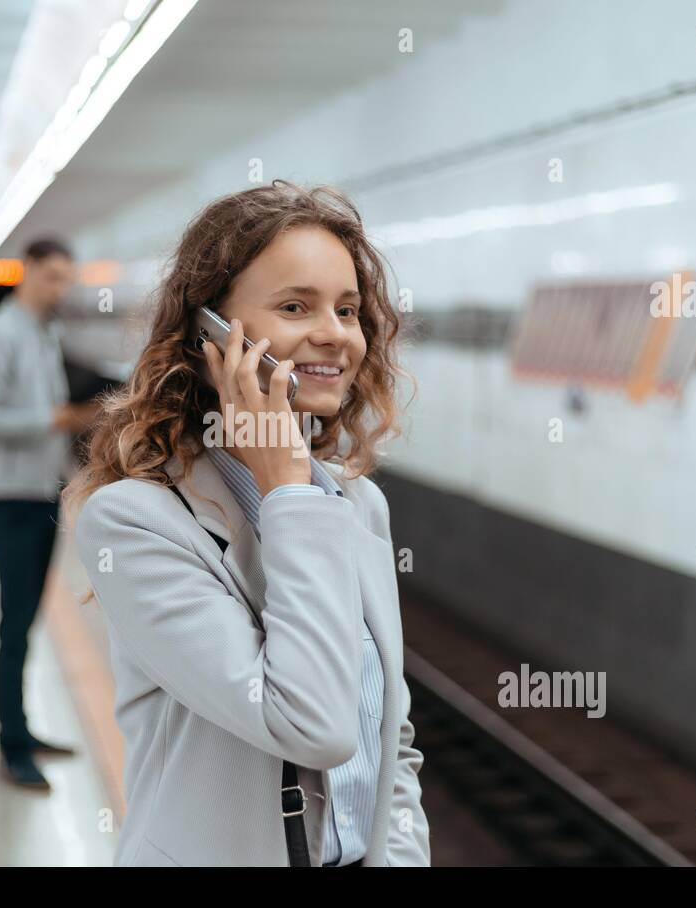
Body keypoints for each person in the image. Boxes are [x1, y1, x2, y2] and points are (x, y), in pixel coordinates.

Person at [66, 181, 430, 866]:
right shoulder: (136, 524)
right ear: (212, 337)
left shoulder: (358, 506)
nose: (335, 333)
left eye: (349, 310)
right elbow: (313, 724)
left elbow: (391, 739)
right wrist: (286, 488)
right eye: (296, 306)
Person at [0, 237, 91, 789]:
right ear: (28, 272)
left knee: (28, 621)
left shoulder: (45, 333)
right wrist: (55, 420)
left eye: (67, 279)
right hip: (12, 501)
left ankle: (23, 727)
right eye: (52, 277)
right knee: (13, 626)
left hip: (43, 494)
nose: (60, 288)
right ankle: (12, 744)